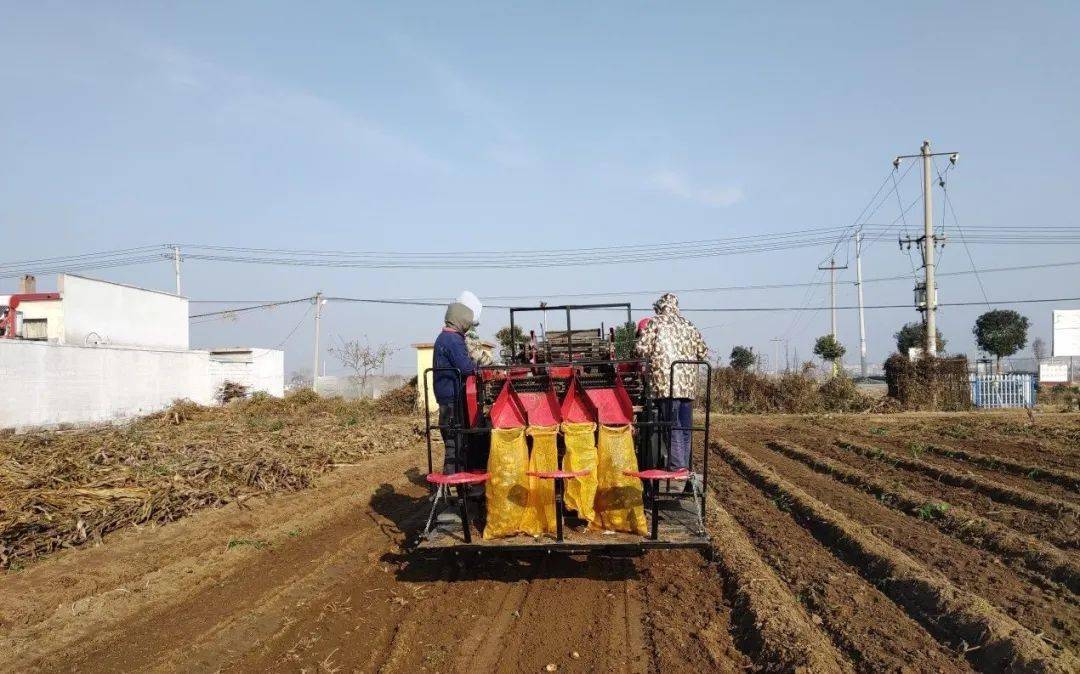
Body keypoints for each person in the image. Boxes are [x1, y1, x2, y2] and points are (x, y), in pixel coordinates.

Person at [635, 293, 708, 477]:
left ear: (660, 307)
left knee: (671, 424)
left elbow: (641, 349)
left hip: (665, 383)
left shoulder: (655, 323)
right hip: (688, 385)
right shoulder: (689, 324)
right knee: (685, 426)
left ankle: (677, 466)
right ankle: (684, 465)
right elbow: (702, 352)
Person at [433, 291, 482, 474]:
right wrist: (477, 368)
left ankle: (454, 477)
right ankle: (453, 480)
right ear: (461, 320)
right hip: (452, 397)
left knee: (453, 437)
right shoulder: (453, 340)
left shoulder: (443, 337)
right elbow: (466, 367)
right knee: (456, 440)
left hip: (445, 396)